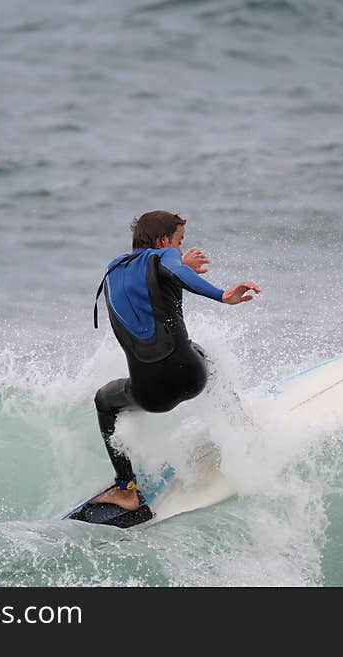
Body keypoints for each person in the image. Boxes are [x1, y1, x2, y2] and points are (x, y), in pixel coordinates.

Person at [90, 210, 260, 511]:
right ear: (163, 240)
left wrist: (179, 265)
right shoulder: (166, 258)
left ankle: (126, 488)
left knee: (105, 400)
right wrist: (222, 295)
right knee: (202, 353)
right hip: (193, 376)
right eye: (179, 242)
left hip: (151, 395)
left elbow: (156, 278)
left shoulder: (112, 271)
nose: (179, 249)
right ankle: (244, 428)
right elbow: (173, 269)